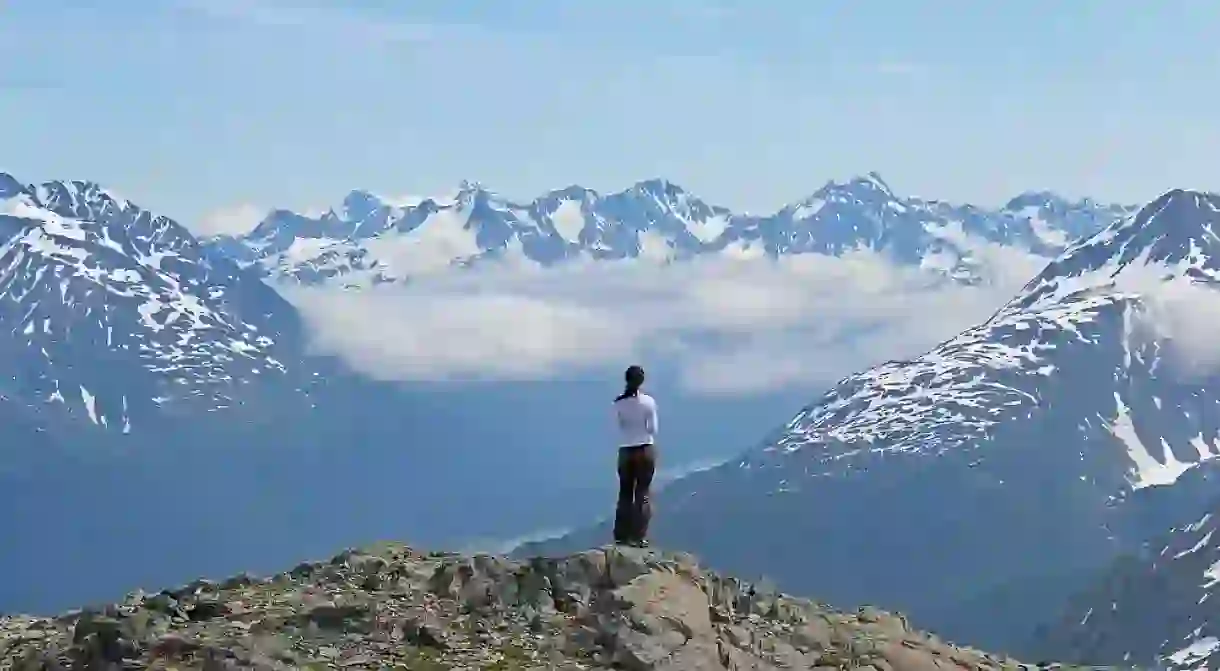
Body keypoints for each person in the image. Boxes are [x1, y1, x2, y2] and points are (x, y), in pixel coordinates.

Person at [612, 364, 657, 547]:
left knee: (625, 493)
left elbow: (619, 425)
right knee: (642, 494)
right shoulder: (648, 402)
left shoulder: (618, 403)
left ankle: (621, 536)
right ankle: (639, 537)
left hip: (626, 450)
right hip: (645, 448)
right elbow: (652, 428)